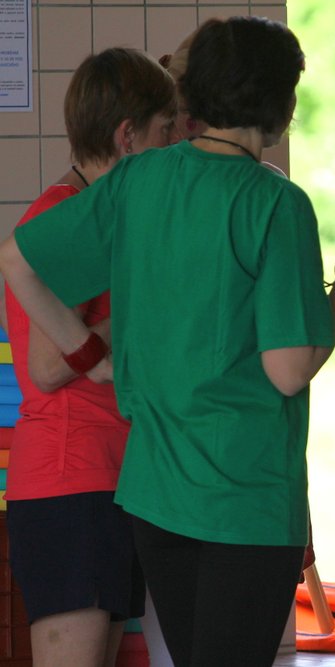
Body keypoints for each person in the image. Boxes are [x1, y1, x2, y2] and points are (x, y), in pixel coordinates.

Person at [0, 16, 335, 667]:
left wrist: (91, 357)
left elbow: (18, 260)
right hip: (243, 494)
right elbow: (288, 369)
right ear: (282, 101)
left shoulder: (140, 179)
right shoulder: (276, 202)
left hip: (154, 492)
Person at [2, 47, 175, 667]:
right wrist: (151, 296)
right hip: (72, 479)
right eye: (165, 131)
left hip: (109, 475)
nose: (174, 147)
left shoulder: (102, 211)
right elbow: (48, 367)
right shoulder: (68, 215)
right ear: (128, 136)